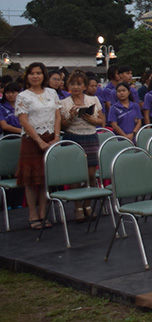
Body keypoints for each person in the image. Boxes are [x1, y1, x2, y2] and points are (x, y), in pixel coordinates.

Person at [15, 62, 62, 229]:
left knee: (44, 178)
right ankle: (32, 214)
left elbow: (57, 116)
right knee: (30, 179)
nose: (35, 76)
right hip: (31, 140)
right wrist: (39, 141)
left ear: (44, 76)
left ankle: (43, 212)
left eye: (39, 73)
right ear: (27, 76)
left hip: (50, 137)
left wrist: (56, 137)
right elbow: (23, 121)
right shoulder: (23, 96)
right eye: (32, 73)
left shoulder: (51, 93)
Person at [59, 70, 105, 223]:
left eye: (79, 84)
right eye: (72, 83)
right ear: (68, 85)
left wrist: (92, 120)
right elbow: (63, 126)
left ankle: (88, 205)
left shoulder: (93, 99)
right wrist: (71, 117)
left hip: (90, 137)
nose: (76, 87)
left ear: (85, 86)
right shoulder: (64, 103)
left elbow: (101, 121)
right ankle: (78, 207)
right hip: (72, 137)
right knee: (75, 175)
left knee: (90, 174)